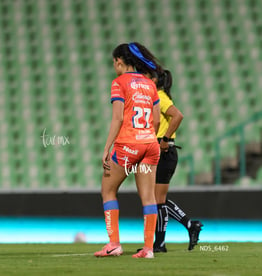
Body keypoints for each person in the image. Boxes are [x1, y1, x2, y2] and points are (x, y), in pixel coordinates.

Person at [94, 42, 162, 259]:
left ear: (119, 62)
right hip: (150, 144)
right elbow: (158, 120)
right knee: (149, 198)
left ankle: (114, 244)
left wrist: (107, 148)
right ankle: (148, 249)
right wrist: (147, 139)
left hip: (128, 144)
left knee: (108, 189)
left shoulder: (119, 83)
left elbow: (118, 117)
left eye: (114, 63)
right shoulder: (150, 84)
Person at [153, 70, 203, 252]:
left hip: (164, 152)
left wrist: (165, 140)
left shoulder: (160, 97)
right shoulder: (160, 96)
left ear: (155, 80)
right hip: (163, 152)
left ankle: (160, 243)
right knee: (158, 199)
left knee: (158, 200)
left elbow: (178, 115)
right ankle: (190, 225)